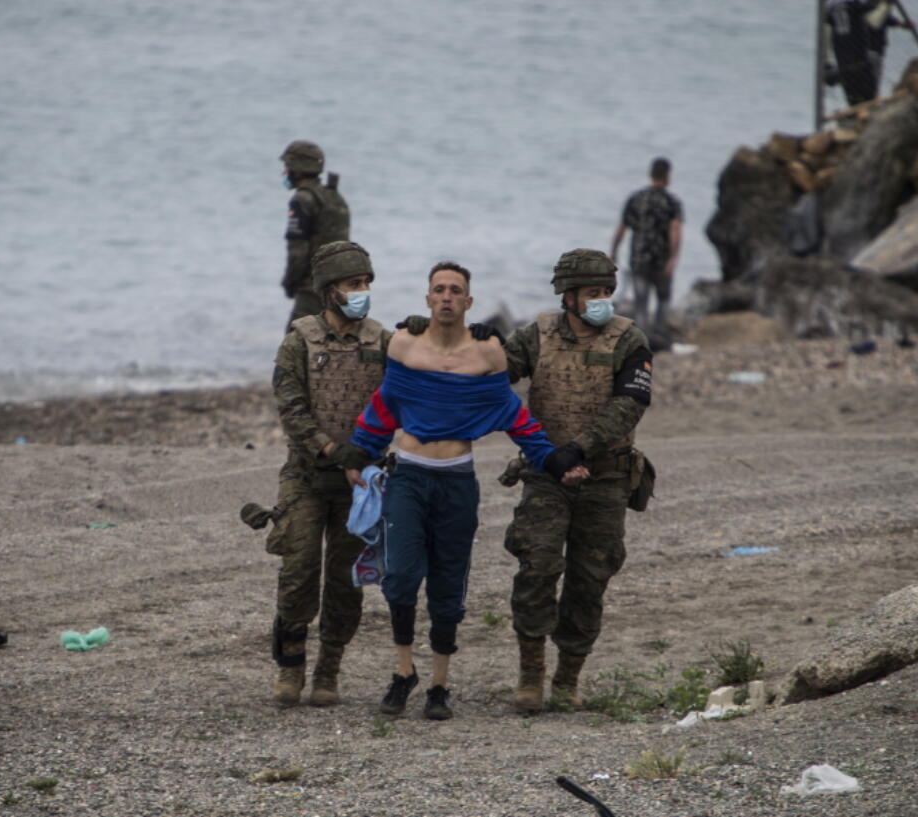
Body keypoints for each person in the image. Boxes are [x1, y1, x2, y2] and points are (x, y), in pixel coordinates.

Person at [338, 262, 585, 721]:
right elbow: (384, 406)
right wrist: (359, 454)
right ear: (427, 299)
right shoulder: (403, 345)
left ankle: (438, 684)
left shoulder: (488, 355)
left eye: (456, 291)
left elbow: (514, 415)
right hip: (408, 476)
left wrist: (552, 459)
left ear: (468, 302)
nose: (447, 297)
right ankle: (402, 672)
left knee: (449, 584)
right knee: (401, 576)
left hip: (456, 481)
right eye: (439, 290)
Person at [499, 249, 653, 713]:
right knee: (537, 569)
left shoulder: (630, 340)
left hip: (605, 478)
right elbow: (491, 378)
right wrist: (477, 346)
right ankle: (530, 677)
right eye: (592, 293)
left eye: (607, 291)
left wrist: (580, 448)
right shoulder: (536, 336)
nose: (602, 300)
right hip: (546, 477)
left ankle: (567, 679)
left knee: (591, 578)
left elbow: (630, 403)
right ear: (568, 296)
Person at [265, 240, 389, 708]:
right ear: (329, 290)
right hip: (307, 475)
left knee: (345, 578)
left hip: (359, 484)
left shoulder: (383, 342)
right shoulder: (299, 340)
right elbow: (291, 408)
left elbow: (406, 392)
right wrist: (333, 450)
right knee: (298, 570)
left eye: (366, 283)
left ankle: (329, 669)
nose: (362, 292)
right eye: (353, 284)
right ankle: (291, 667)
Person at [609, 157, 682, 343]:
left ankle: (642, 340)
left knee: (641, 303)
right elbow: (675, 231)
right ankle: (658, 334)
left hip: (639, 259)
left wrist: (614, 251)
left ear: (651, 174)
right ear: (667, 176)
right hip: (662, 261)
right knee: (663, 299)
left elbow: (622, 228)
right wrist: (673, 258)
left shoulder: (636, 199)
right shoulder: (672, 202)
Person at [280, 140, 351, 331]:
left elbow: (297, 253)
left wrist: (289, 283)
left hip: (311, 289)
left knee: (293, 351)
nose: (284, 172)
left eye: (287, 167)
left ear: (297, 168)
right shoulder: (334, 197)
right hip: (339, 289)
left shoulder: (303, 199)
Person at [824, 0, 879, 107]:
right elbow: (871, 10)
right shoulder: (854, 5)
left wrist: (826, 62)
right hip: (860, 59)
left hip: (843, 62)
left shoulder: (830, 11)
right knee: (870, 99)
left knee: (853, 100)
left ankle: (855, 109)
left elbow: (826, 34)